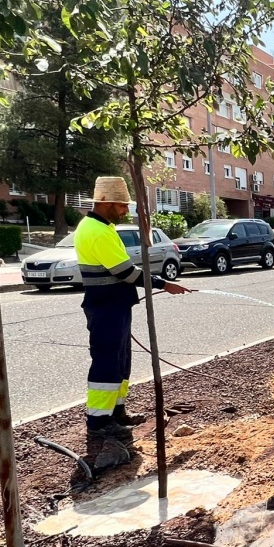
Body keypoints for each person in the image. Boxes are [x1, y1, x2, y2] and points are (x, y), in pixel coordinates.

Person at [75, 177, 192, 469]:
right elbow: (125, 272)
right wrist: (163, 283)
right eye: (121, 205)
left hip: (114, 305)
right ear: (105, 202)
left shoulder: (104, 227)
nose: (125, 211)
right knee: (106, 363)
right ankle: (99, 421)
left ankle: (116, 412)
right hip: (106, 307)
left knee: (120, 361)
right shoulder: (96, 231)